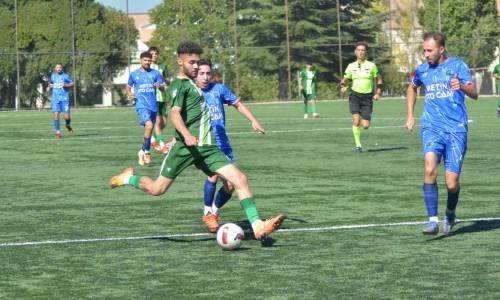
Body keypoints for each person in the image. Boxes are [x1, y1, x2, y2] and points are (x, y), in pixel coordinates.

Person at [109, 41, 284, 240]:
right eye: (191, 62)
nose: (195, 66)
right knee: (157, 189)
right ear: (179, 61)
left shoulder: (196, 84)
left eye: (197, 62)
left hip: (207, 148)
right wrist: (186, 135)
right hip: (185, 148)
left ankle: (257, 225)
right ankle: (126, 178)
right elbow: (175, 114)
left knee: (239, 179)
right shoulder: (179, 85)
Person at [405, 32, 478, 235]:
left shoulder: (457, 66)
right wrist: (410, 116)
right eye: (424, 50)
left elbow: (475, 93)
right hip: (432, 127)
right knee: (429, 169)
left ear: (441, 50)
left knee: (451, 183)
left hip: (456, 130)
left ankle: (450, 211)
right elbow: (412, 88)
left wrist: (461, 86)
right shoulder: (422, 70)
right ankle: (432, 221)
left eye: (429, 50)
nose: (426, 54)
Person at [195, 59, 266, 232]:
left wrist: (253, 121)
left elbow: (237, 104)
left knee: (231, 185)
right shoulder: (192, 91)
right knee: (213, 175)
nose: (205, 77)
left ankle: (214, 212)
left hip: (223, 142)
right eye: (201, 73)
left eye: (208, 73)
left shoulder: (218, 89)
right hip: (206, 142)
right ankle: (207, 213)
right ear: (195, 74)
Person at [340, 41, 383, 153]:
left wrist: (378, 92)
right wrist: (343, 86)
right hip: (354, 95)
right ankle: (358, 146)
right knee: (356, 121)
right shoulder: (351, 66)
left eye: (362, 50)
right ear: (355, 52)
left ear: (365, 52)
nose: (360, 52)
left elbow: (379, 79)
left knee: (365, 126)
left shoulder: (371, 65)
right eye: (358, 50)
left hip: (367, 98)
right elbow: (344, 80)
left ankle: (363, 124)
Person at [127, 51, 166, 166]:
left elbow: (163, 88)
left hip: (153, 106)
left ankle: (141, 151)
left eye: (149, 60)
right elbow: (128, 86)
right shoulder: (134, 74)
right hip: (141, 105)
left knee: (149, 130)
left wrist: (160, 87)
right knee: (149, 126)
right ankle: (147, 152)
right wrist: (129, 94)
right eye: (145, 60)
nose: (147, 62)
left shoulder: (156, 74)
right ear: (141, 61)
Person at [148, 46, 173, 152]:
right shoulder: (147, 67)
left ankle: (152, 138)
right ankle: (162, 145)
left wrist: (163, 78)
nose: (154, 55)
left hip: (163, 97)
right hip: (153, 98)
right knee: (157, 123)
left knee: (164, 123)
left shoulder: (163, 66)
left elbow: (168, 82)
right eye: (152, 54)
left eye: (156, 54)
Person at [47, 63, 74, 139]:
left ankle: (67, 125)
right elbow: (51, 84)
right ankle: (58, 133)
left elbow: (72, 84)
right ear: (55, 68)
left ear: (62, 68)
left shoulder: (66, 76)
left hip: (64, 99)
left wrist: (66, 85)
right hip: (55, 99)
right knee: (55, 115)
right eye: (57, 67)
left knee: (67, 117)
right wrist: (49, 87)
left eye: (60, 67)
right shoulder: (53, 76)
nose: (58, 69)